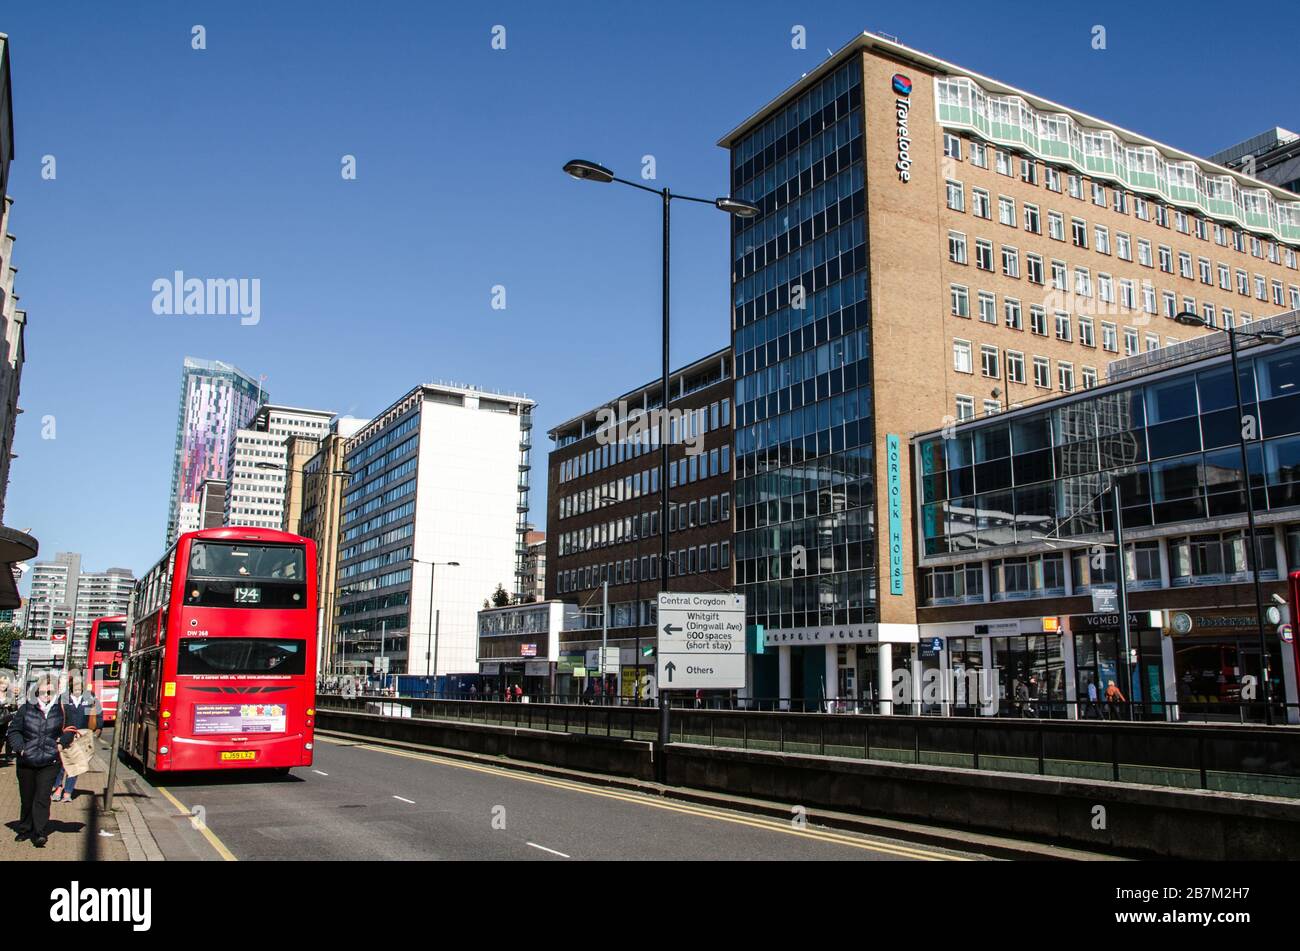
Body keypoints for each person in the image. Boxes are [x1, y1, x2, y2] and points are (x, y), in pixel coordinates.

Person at [6, 675, 75, 848]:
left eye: (50, 691)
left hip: (50, 761)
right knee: (27, 797)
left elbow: (71, 729)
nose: (46, 694)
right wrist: (20, 748)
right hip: (26, 760)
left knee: (42, 797)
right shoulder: (26, 709)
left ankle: (39, 832)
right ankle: (25, 828)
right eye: (43, 691)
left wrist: (62, 741)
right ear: (38, 690)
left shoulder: (62, 709)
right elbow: (14, 731)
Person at [53, 671, 100, 803]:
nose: (78, 689)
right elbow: (57, 716)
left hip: (81, 736)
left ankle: (68, 792)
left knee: (75, 764)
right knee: (62, 763)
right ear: (71, 685)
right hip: (65, 734)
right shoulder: (63, 698)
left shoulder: (89, 698)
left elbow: (97, 713)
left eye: (80, 686)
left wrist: (98, 729)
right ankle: (58, 787)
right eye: (76, 686)